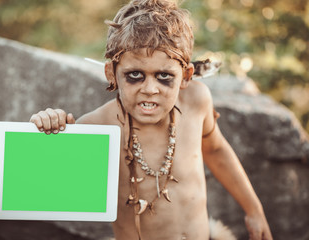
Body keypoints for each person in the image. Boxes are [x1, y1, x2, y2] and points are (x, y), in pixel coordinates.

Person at [29, 0, 272, 239]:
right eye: (135, 75)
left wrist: (254, 209)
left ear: (186, 76)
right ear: (111, 74)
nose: (150, 89)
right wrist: (52, 128)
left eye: (164, 75)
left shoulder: (197, 101)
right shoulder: (97, 126)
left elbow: (217, 151)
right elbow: (46, 179)